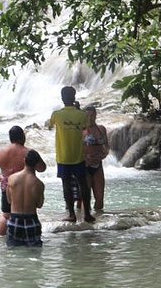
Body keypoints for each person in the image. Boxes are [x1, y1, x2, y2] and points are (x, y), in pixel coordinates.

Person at [0, 125, 45, 235]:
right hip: (27, 184)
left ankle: (1, 237)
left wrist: (0, 179)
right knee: (27, 210)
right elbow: (42, 168)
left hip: (8, 183)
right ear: (22, 137)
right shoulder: (28, 152)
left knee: (6, 214)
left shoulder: (1, 152)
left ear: (10, 137)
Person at [50, 86, 94, 223]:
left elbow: (49, 126)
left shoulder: (56, 115)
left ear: (62, 98)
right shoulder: (82, 115)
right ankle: (87, 214)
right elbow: (86, 128)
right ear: (74, 98)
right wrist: (78, 110)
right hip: (78, 155)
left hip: (63, 156)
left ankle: (71, 215)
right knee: (83, 184)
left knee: (66, 184)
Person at [6, 149, 46, 247]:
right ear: (36, 164)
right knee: (35, 254)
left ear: (24, 160)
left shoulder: (11, 179)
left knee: (13, 254)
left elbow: (9, 200)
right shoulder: (39, 184)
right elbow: (39, 205)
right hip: (31, 221)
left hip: (14, 220)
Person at [83, 106, 110, 212]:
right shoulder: (81, 130)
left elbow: (107, 146)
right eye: (87, 116)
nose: (90, 118)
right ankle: (84, 223)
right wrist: (85, 158)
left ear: (95, 115)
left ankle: (99, 221)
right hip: (85, 166)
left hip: (98, 165)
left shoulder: (101, 129)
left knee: (100, 199)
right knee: (85, 198)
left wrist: (105, 154)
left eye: (92, 115)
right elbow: (75, 148)